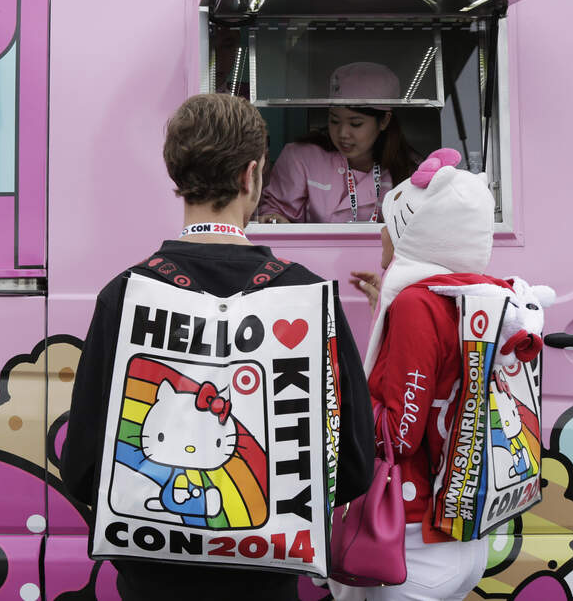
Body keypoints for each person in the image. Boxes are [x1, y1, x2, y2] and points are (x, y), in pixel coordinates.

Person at [61, 93, 376, 601]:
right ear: (253, 175)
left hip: (151, 582)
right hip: (267, 582)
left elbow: (81, 467)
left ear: (177, 176)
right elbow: (355, 463)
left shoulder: (124, 295)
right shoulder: (306, 297)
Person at [331, 148, 501, 601]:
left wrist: (336, 392)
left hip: (410, 541)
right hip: (459, 535)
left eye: (390, 220)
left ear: (414, 231)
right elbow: (437, 374)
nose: (382, 231)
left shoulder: (414, 306)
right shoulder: (465, 296)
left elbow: (399, 433)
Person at [256, 62, 421, 224]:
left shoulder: (409, 169)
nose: (342, 133)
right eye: (334, 120)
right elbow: (274, 211)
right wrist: (275, 219)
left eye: (355, 124)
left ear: (384, 121)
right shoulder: (301, 158)